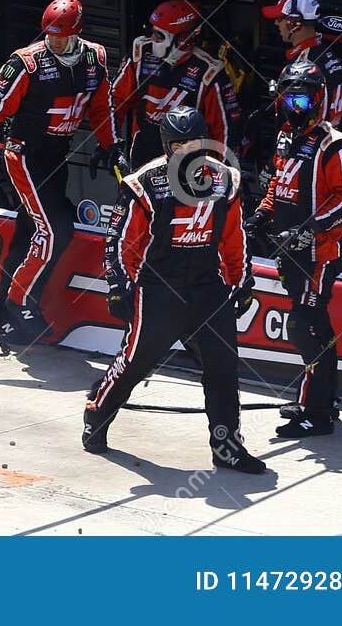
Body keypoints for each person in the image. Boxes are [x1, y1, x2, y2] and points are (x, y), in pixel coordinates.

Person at [84, 106, 266, 473]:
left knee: (223, 367)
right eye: (178, 144)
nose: (186, 150)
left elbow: (235, 236)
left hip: (207, 285)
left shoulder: (227, 180)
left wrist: (242, 279)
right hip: (159, 288)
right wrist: (119, 286)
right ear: (167, 146)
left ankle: (227, 445)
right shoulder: (142, 183)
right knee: (136, 362)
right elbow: (121, 240)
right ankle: (97, 413)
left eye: (193, 142)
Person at [0, 0, 120, 342]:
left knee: (33, 229)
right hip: (23, 156)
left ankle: (0, 301)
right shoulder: (26, 62)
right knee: (55, 231)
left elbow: (102, 108)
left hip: (57, 156)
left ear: (76, 32)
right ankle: (19, 300)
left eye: (61, 36)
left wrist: (112, 147)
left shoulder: (96, 58)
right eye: (50, 35)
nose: (54, 41)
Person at [248, 60, 342, 439]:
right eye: (288, 98)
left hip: (319, 253)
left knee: (305, 327)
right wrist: (262, 215)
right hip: (288, 250)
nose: (294, 107)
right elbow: (278, 184)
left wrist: (311, 229)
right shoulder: (284, 136)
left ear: (318, 101)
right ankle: (323, 401)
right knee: (315, 327)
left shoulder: (335, 143)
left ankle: (316, 413)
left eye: (302, 99)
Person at [110, 0, 242, 167]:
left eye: (159, 35)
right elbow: (115, 100)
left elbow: (224, 132)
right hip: (142, 158)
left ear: (183, 38)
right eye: (151, 31)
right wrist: (108, 144)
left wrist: (221, 176)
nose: (152, 38)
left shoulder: (209, 72)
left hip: (189, 166)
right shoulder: (140, 55)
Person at [261, 0, 342, 126]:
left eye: (280, 18)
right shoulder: (325, 54)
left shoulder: (305, 65)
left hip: (310, 141)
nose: (276, 23)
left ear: (295, 23)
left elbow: (299, 123)